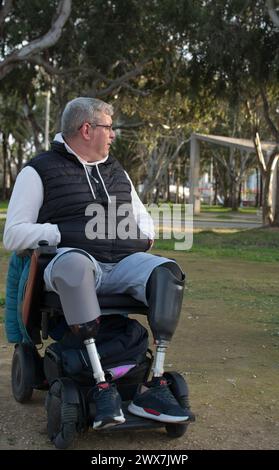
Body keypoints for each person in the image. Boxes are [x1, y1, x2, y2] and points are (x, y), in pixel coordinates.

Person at [3, 97, 193, 430]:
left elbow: (146, 226)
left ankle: (155, 383)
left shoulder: (117, 171)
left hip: (120, 263)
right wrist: (67, 232)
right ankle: (102, 388)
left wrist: (133, 238)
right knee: (76, 267)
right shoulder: (38, 171)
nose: (113, 135)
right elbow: (13, 235)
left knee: (167, 273)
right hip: (70, 262)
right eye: (109, 127)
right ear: (87, 129)